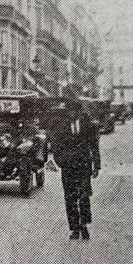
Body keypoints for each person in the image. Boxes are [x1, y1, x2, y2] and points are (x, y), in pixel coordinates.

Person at [50, 99, 101, 240]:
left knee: (84, 196)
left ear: (79, 112)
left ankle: (84, 225)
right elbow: (55, 146)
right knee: (70, 197)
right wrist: (60, 162)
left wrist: (97, 165)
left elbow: (94, 146)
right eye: (69, 112)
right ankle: (74, 228)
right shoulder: (61, 126)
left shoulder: (88, 125)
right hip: (68, 167)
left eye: (74, 111)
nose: (71, 114)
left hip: (84, 166)